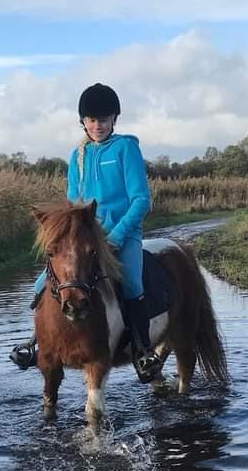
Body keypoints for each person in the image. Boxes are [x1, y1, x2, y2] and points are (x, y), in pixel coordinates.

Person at [10, 83, 162, 383]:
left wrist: (117, 237)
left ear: (114, 119)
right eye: (91, 120)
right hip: (85, 239)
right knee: (40, 286)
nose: (97, 125)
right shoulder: (76, 156)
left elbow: (142, 200)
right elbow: (72, 205)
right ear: (83, 121)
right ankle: (35, 343)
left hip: (123, 235)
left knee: (132, 283)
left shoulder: (125, 148)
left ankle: (143, 352)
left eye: (103, 119)